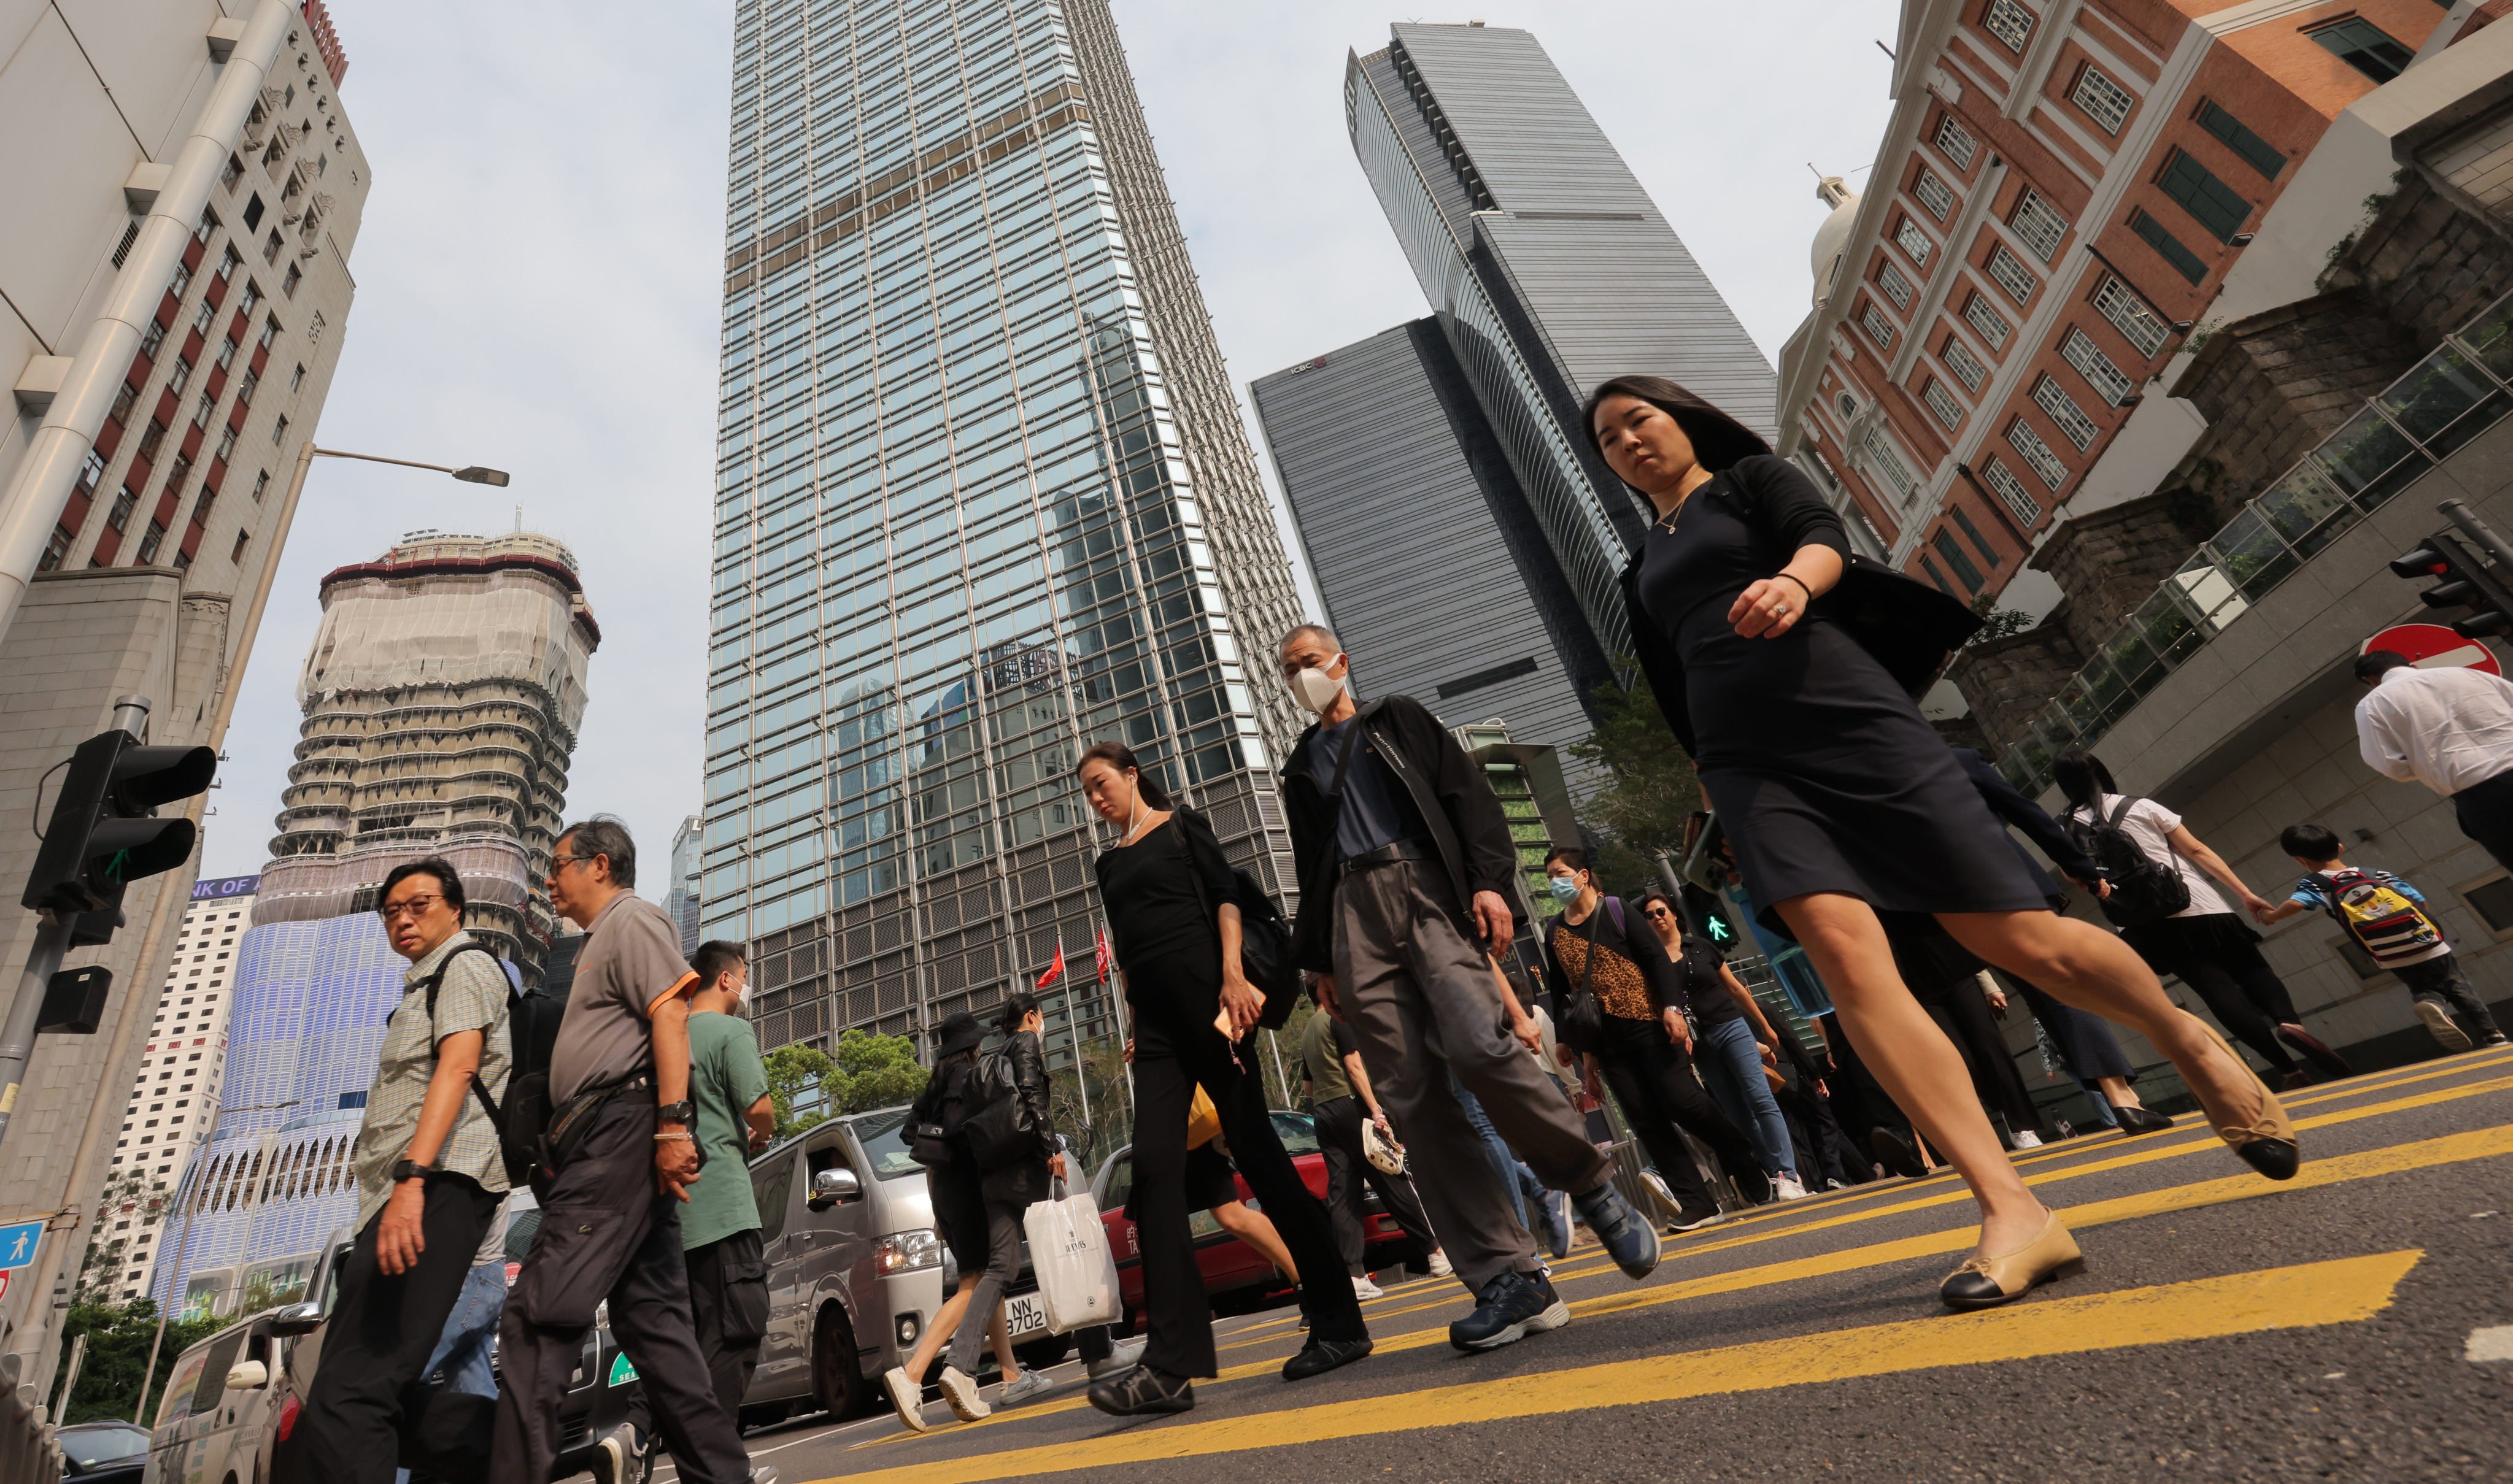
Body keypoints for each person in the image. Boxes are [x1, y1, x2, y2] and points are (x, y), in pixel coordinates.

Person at [1590, 373, 2298, 1310]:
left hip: (1851, 718)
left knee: (2013, 936)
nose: (1628, 439)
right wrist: (1707, 781)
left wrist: (1793, 582)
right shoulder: (1638, 566)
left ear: (1680, 420)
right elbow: (1671, 679)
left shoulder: (1750, 480)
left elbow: (1823, 539)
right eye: (1606, 437)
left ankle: (2186, 1038)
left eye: (1639, 417)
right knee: (1847, 963)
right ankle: (2009, 1207)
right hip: (1746, 767)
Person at [1277, 626, 1660, 1347]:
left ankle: (1589, 1185)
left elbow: (1468, 799)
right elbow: (1312, 866)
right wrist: (1319, 961)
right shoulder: (1299, 767)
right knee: (1411, 1100)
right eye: (1289, 670)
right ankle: (1507, 1278)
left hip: (1425, 887)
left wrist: (1490, 887)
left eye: (1310, 662)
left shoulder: (1397, 719)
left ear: (1341, 663)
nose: (1303, 676)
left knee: (1482, 1047)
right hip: (1352, 917)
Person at [1078, 744, 1370, 1415]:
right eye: (1086, 794)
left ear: (1130, 775)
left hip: (1216, 1014)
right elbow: (1128, 951)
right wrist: (1130, 1019)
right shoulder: (1108, 862)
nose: (1096, 801)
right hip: (1155, 1034)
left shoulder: (1182, 825)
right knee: (1153, 1172)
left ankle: (1339, 1321)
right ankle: (1170, 1365)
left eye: (1101, 785)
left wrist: (1235, 979)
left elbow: (1225, 899)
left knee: (1263, 1162)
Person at [490, 818, 762, 1484]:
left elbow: (670, 1012)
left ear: (601, 865)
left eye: (559, 865)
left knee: (539, 1315)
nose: (549, 879)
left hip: (620, 1135)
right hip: (610, 1141)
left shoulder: (633, 919)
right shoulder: (594, 942)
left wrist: (671, 1125)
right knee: (661, 1338)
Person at [296, 858, 512, 1484]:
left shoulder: (464, 964)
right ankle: (521, 1446)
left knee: (348, 1395)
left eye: (419, 904)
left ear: (456, 910)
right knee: (356, 1392)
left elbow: (459, 1067)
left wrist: (412, 1180)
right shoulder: (423, 984)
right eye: (392, 910)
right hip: (412, 1191)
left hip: (439, 1184)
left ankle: (524, 1444)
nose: (403, 918)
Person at [2053, 750, 2351, 1090]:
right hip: (2196, 904)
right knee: (2251, 968)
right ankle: (2289, 1024)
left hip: (2140, 924)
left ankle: (2288, 1071)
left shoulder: (2061, 828)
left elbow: (2075, 878)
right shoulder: (2139, 806)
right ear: (2100, 773)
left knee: (2216, 990)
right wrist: (2245, 893)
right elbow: (2197, 851)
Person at [883, 1012, 1098, 1435]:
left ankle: (1010, 1373)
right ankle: (911, 1373)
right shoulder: (969, 1075)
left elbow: (915, 1136)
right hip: (968, 1187)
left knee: (986, 1279)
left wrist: (938, 1197)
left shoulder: (935, 1082)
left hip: (940, 1190)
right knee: (975, 1283)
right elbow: (982, 1129)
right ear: (971, 1045)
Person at [612, 942, 777, 1474]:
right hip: (722, 1207)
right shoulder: (730, 1032)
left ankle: (637, 1427)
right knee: (734, 1336)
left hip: (667, 1220)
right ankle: (718, 1465)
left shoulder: (665, 1034)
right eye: (745, 976)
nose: (746, 987)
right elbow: (760, 1109)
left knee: (679, 1344)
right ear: (727, 980)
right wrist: (757, 1130)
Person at [1948, 748, 2172, 1136]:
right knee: (2065, 986)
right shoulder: (1954, 759)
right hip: (2008, 884)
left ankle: (2117, 1094)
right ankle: (2121, 1098)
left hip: (1951, 911)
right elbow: (2026, 814)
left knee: (2042, 996)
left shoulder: (1859, 783)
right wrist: (2080, 865)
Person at [1543, 857, 1769, 1233]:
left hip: (1651, 1025)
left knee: (1683, 1102)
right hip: (1607, 1041)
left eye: (1560, 875)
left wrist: (1672, 1008)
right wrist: (1569, 1041)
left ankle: (1741, 1153)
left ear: (1582, 877)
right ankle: (1698, 1204)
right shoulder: (1554, 931)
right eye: (1549, 877)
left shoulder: (1615, 910)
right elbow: (1560, 988)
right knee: (1647, 1121)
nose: (1554, 882)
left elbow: (1656, 960)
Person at [1618, 878, 1801, 1206]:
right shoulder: (1651, 964)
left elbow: (1735, 989)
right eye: (1648, 916)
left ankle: (1789, 1174)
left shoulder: (1701, 947)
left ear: (1674, 915)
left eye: (1661, 912)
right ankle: (1771, 1174)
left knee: (1760, 1098)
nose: (1657, 918)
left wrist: (1764, 1027)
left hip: (1729, 1027)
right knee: (1737, 1114)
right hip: (1699, 1044)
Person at [2264, 823, 2508, 1053]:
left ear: (2300, 861)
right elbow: (2418, 901)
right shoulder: (2378, 873)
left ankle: (2431, 1001)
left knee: (2420, 985)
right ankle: (2492, 1035)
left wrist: (2272, 916)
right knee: (2456, 983)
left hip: (2388, 952)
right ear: (2340, 848)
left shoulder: (2315, 883)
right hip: (2425, 941)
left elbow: (2295, 904)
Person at [1296, 1001, 1446, 1289]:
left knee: (1343, 1193)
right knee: (1392, 1177)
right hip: (1351, 1106)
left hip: (1324, 1113)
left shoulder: (1308, 1032)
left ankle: (1354, 1275)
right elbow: (1354, 1066)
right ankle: (1436, 1252)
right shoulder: (1336, 1017)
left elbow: (1307, 1088)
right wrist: (1376, 1110)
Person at [2354, 648, 2513, 871]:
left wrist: (2429, 765)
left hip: (2484, 797)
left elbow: (2389, 765)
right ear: (2411, 664)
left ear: (2370, 680)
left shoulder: (2372, 704)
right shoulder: (2464, 673)